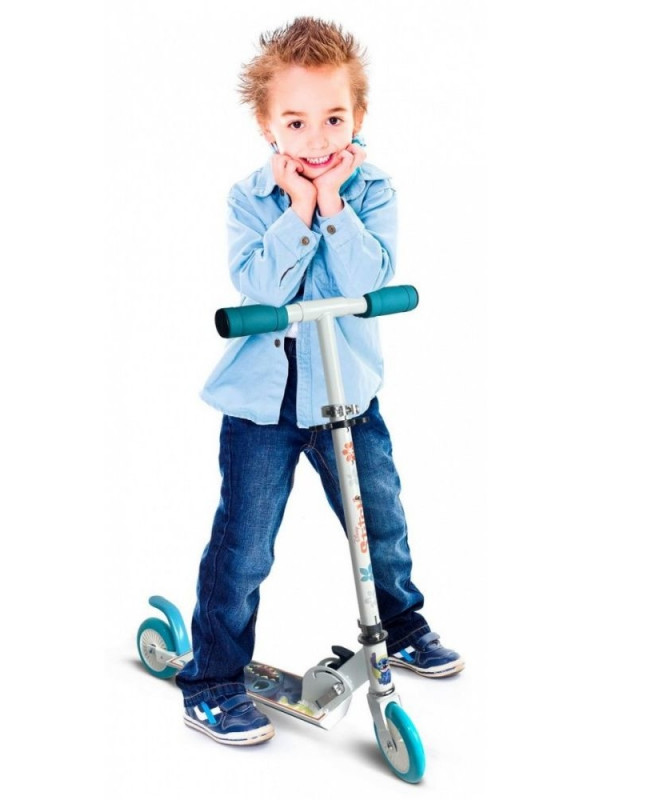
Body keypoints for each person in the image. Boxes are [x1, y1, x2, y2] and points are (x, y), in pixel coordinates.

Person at [175, 16, 463, 747]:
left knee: (380, 521)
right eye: (296, 122)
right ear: (267, 125)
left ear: (358, 116)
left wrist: (333, 202)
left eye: (334, 118)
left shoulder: (374, 191)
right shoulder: (249, 199)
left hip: (349, 396)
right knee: (244, 546)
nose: (316, 139)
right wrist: (298, 209)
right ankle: (212, 680)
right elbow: (260, 286)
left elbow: (368, 278)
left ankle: (400, 625)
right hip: (263, 408)